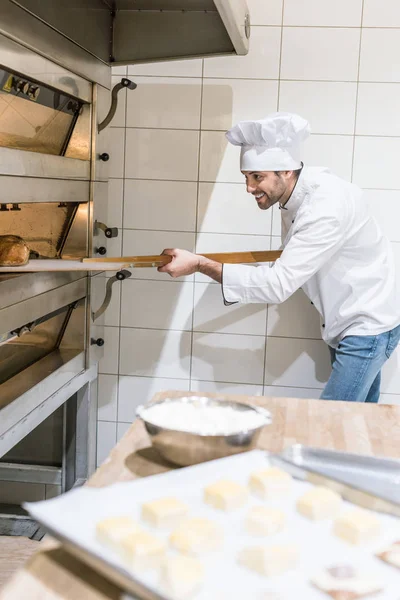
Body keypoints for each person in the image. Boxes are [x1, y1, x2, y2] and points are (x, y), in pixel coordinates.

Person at [158, 112, 400, 403]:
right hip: (352, 319)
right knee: (357, 424)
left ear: (286, 171)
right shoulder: (297, 196)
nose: (249, 187)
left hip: (367, 326)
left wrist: (200, 264)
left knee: (332, 422)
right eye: (247, 177)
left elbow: (278, 285)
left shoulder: (325, 207)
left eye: (257, 177)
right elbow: (294, 262)